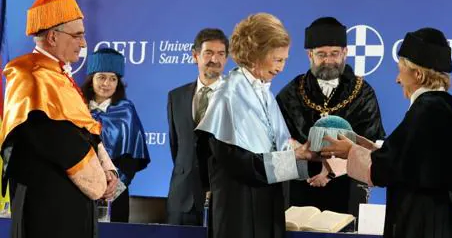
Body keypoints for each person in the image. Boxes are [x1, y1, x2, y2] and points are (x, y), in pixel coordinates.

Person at [322, 27, 452, 238]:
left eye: (400, 70)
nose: (397, 79)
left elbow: (390, 167)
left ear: (418, 74)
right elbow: (407, 158)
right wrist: (363, 146)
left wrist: (351, 151)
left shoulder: (428, 108)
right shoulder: (446, 106)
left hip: (420, 224)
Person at [0, 0, 117, 237]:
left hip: (73, 204)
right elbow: (60, 139)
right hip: (47, 209)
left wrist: (109, 170)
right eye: (77, 35)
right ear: (53, 36)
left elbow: (85, 127)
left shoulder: (59, 76)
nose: (84, 43)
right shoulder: (30, 76)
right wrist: (99, 183)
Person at [196, 13, 317, 238]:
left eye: (285, 60)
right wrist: (295, 158)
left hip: (267, 205)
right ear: (255, 55)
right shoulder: (227, 96)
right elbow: (242, 165)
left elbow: (274, 150)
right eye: (277, 59)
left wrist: (308, 159)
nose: (281, 68)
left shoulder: (265, 93)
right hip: (238, 211)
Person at [277, 17, 386, 216]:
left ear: (345, 52)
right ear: (310, 54)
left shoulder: (363, 94)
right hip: (300, 189)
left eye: (334, 54)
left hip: (348, 188)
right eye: (321, 54)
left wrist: (332, 170)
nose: (328, 61)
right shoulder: (291, 93)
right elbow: (279, 141)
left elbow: (370, 144)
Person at [166, 28, 229, 225]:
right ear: (195, 56)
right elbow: (176, 146)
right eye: (209, 53)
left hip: (222, 195)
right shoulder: (176, 96)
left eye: (221, 54)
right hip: (182, 195)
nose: (215, 59)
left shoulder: (235, 97)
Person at [81, 47, 151, 222]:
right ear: (91, 79)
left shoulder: (126, 111)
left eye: (113, 79)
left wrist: (114, 187)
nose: (106, 84)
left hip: (115, 193)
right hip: (79, 189)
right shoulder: (77, 109)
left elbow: (133, 157)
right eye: (101, 77)